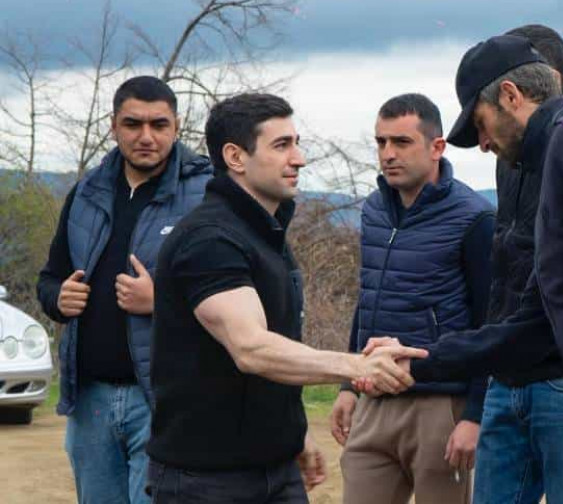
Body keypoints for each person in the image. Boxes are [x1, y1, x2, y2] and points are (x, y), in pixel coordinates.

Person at [363, 28, 563, 504]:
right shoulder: (509, 157)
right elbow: (503, 275)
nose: (483, 142)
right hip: (507, 374)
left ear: (535, 84)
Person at [146, 92, 427, 503]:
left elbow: (276, 345)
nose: (299, 159)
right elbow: (251, 348)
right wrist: (357, 365)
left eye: (296, 143)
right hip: (206, 482)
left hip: (276, 469)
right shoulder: (209, 239)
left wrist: (292, 431)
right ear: (235, 157)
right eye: (281, 146)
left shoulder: (264, 231)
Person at [36, 76, 213, 504]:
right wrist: (58, 298)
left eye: (159, 124)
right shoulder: (86, 192)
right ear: (113, 126)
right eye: (133, 124)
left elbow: (243, 293)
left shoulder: (208, 194)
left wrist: (161, 302)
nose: (146, 136)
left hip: (167, 401)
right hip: (90, 402)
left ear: (177, 127)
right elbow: (50, 278)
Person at [329, 93, 494, 504]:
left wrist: (474, 415)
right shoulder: (373, 210)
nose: (388, 154)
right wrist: (349, 384)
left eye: (401, 142)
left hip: (441, 404)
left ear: (437, 147)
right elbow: (369, 296)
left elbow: (490, 324)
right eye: (381, 142)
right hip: (375, 397)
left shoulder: (474, 218)